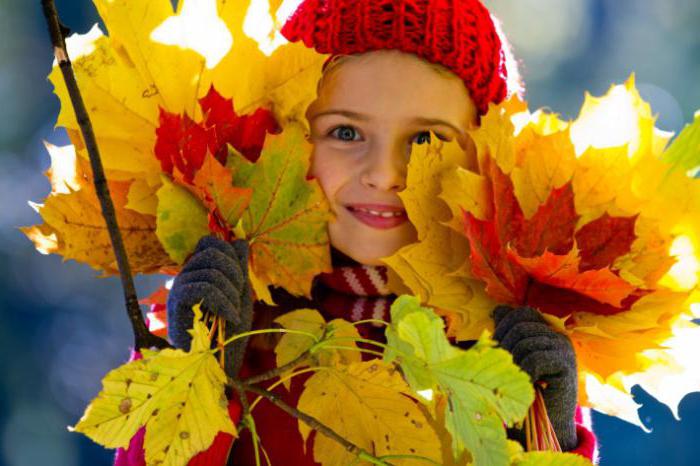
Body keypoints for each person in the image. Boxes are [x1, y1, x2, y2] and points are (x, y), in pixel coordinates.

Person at [117, 0, 597, 464]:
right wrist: (195, 370)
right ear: (285, 136)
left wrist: (548, 437)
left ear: (485, 158)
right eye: (346, 133)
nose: (385, 173)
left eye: (426, 139)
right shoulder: (226, 313)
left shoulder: (510, 340)